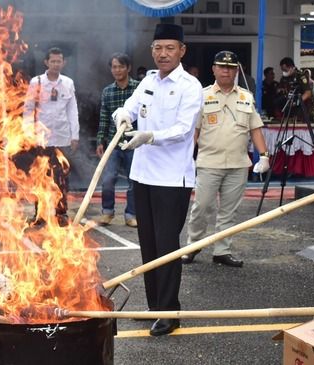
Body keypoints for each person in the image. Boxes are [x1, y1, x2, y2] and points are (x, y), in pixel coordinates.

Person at [113, 23, 202, 336]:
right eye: (158, 48)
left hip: (172, 179)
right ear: (152, 51)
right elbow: (130, 107)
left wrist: (150, 136)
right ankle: (155, 308)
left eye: (170, 48)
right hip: (143, 176)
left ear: (181, 51)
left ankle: (170, 312)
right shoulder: (148, 81)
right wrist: (122, 116)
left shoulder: (190, 86)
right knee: (148, 245)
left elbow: (182, 128)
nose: (163, 54)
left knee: (166, 247)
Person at [181, 51, 270, 268]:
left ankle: (222, 250)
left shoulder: (246, 97)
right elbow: (194, 131)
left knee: (229, 211)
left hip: (238, 164)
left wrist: (265, 155)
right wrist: (184, 159)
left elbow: (255, 128)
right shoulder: (201, 96)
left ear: (236, 70)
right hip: (209, 162)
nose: (226, 71)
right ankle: (193, 245)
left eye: (230, 67)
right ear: (213, 69)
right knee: (201, 208)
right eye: (221, 66)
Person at [22, 47, 79, 226]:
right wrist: (27, 133)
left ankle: (61, 213)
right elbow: (28, 109)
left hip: (62, 137)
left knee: (61, 177)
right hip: (40, 138)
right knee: (40, 176)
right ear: (46, 62)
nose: (56, 64)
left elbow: (72, 110)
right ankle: (40, 213)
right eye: (52, 61)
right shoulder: (36, 82)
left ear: (64, 62)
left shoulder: (68, 83)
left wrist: (74, 135)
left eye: (59, 61)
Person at [96, 52, 139, 227]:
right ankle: (107, 212)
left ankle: (131, 215)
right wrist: (100, 141)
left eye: (121, 66)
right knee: (108, 178)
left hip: (133, 142)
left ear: (128, 68)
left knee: (133, 180)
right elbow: (104, 117)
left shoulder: (138, 88)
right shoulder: (108, 91)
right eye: (114, 66)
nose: (117, 70)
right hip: (113, 143)